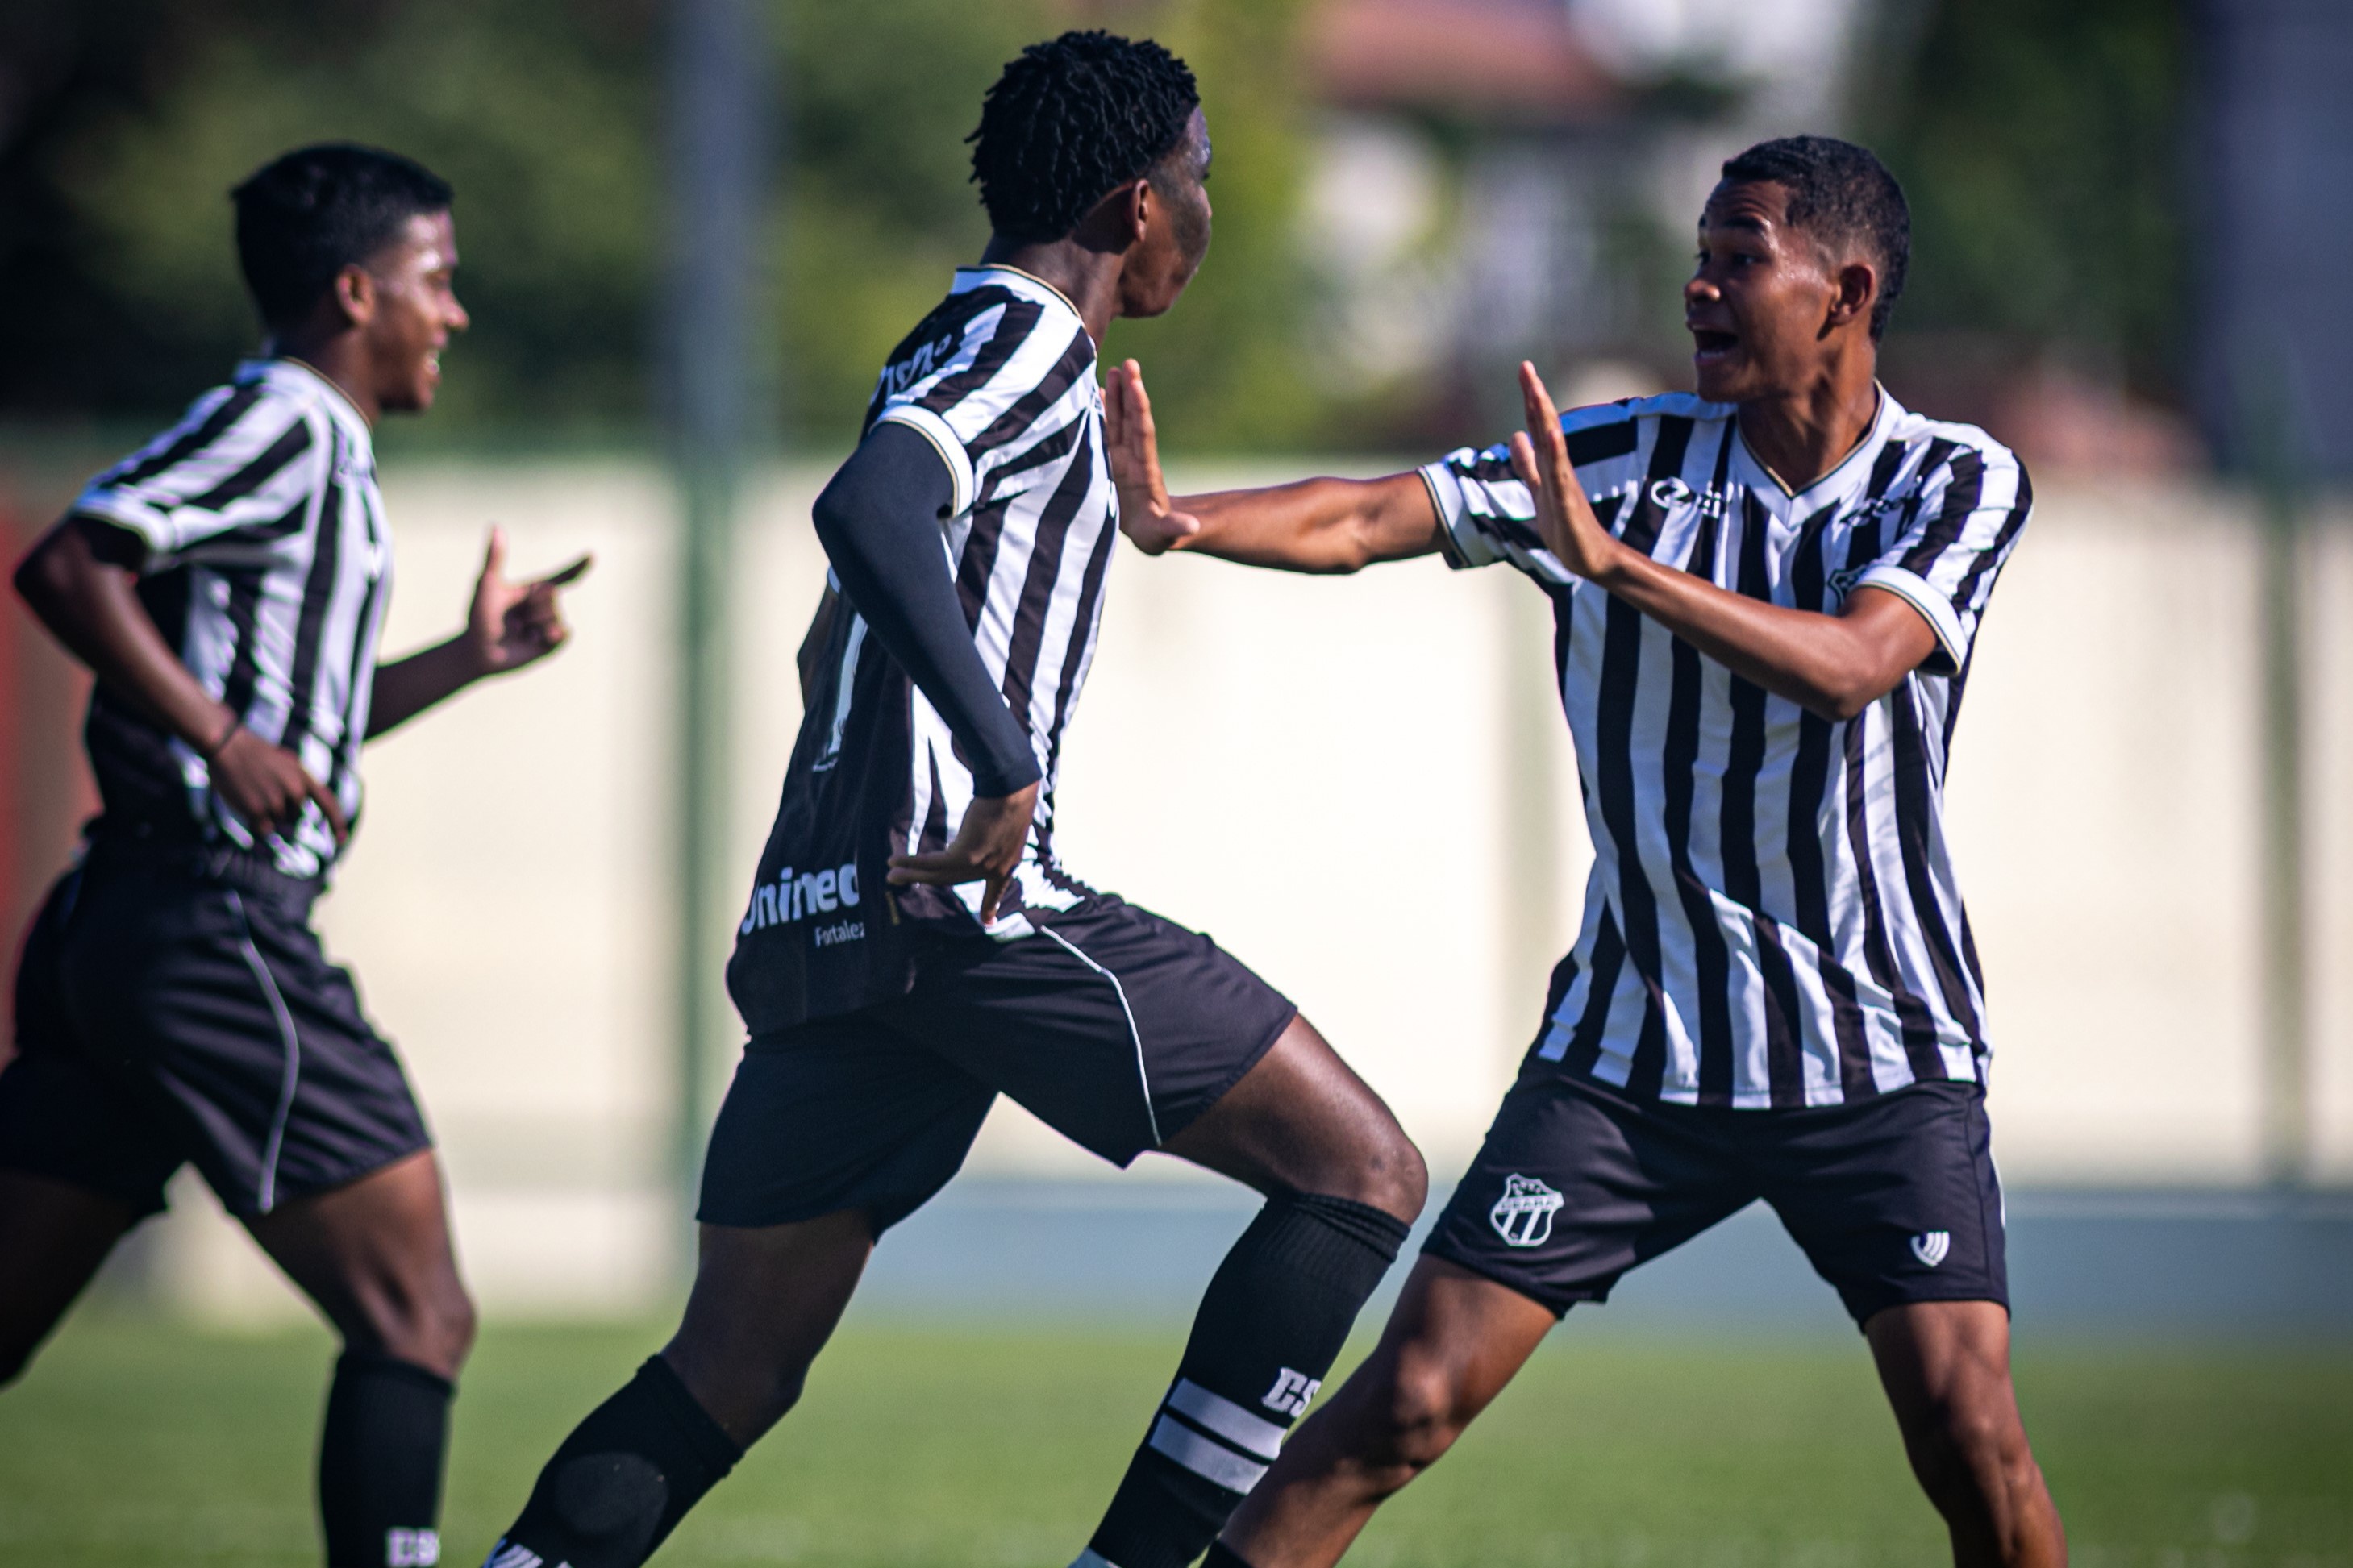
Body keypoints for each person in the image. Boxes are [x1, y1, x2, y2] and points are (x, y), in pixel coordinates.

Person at [478, 32, 1424, 1568]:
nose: (1204, 209)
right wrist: (1000, 759)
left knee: (724, 1372)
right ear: (1134, 207)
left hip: (825, 917)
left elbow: (841, 609)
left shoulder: (935, 336)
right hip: (964, 904)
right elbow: (864, 508)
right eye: (1199, 181)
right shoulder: (1030, 340)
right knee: (1362, 1171)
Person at [1106, 135, 2066, 1568]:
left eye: (1740, 256)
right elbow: (1376, 513)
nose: (1700, 284)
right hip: (1635, 1052)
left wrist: (1616, 569)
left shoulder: (1955, 478)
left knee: (1967, 1433)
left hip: (1876, 1052)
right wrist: (1184, 523)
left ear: (1844, 289)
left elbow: (1856, 664)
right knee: (1406, 1400)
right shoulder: (1613, 460)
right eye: (1700, 252)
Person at [0, 143, 588, 1568]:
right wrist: (213, 736)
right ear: (352, 290)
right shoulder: (285, 423)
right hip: (209, 930)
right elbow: (70, 563)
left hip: (126, 929)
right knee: (417, 1312)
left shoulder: (321, 451)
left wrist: (463, 656)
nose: (452, 312)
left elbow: (298, 730)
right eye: (434, 282)